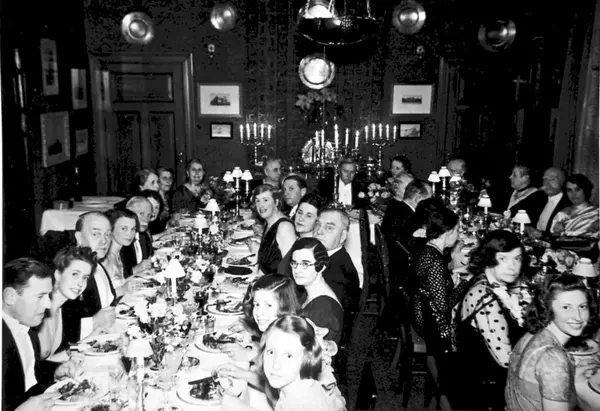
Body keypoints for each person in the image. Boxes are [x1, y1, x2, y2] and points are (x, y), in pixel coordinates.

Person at [452, 230, 530, 409]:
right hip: (483, 392)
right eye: (503, 259)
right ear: (488, 258)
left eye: (517, 258)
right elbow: (506, 360)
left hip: (471, 375)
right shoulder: (485, 299)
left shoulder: (481, 280)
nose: (513, 267)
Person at [505, 274, 599, 411]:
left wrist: (571, 376)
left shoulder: (530, 335)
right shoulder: (554, 359)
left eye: (582, 307)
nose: (578, 317)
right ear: (548, 308)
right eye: (566, 307)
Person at [3, 258, 83, 411]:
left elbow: (30, 370)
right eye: (40, 296)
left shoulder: (27, 328)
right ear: (10, 297)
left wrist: (56, 370)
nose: (48, 304)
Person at [412, 202, 471, 411]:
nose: (459, 234)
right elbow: (443, 306)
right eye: (458, 230)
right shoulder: (435, 261)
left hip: (425, 317)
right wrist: (465, 283)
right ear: (448, 231)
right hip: (436, 328)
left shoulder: (428, 250)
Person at [220, 315, 336, 411]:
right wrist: (239, 373)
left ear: (308, 357)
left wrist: (239, 407)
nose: (276, 365)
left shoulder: (306, 406)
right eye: (271, 352)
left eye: (288, 356)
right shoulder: (297, 387)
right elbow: (273, 391)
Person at [61, 212, 116, 345]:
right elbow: (60, 326)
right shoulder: (70, 272)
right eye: (96, 234)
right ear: (79, 237)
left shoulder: (98, 266)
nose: (104, 241)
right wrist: (92, 322)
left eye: (107, 234)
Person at [37, 246, 100, 360]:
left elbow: (50, 360)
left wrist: (89, 340)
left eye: (85, 277)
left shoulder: (60, 309)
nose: (80, 283)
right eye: (75, 274)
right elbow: (36, 366)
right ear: (58, 274)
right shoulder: (39, 310)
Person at [219, 274, 301, 361]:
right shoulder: (276, 332)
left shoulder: (289, 342)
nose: (258, 312)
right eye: (257, 304)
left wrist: (248, 355)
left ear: (285, 307)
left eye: (268, 305)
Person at [290, 237, 344, 345]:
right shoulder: (309, 292)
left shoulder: (322, 309)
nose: (297, 270)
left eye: (305, 264)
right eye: (294, 263)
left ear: (322, 266)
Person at [314, 208, 360, 316]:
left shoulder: (339, 274)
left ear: (343, 236)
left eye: (329, 228)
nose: (319, 231)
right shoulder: (323, 257)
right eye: (317, 225)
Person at [277, 192, 328, 276]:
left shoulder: (313, 250)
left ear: (318, 221)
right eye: (300, 212)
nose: (301, 218)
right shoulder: (298, 241)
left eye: (308, 216)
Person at [253, 184, 297, 275]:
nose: (260, 205)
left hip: (278, 282)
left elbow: (289, 270)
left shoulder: (284, 227)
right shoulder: (268, 222)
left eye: (265, 200)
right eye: (257, 201)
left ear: (276, 202)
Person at [103, 209, 142, 296]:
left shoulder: (118, 254)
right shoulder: (105, 259)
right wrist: (122, 290)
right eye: (124, 228)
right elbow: (101, 297)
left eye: (133, 229)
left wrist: (137, 276)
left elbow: (118, 283)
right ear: (111, 229)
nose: (130, 234)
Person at [551, 174, 599, 238]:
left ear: (585, 190)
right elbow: (554, 239)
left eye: (577, 189)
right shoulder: (561, 214)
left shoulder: (597, 212)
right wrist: (556, 232)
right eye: (569, 190)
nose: (573, 194)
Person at [528, 167, 572, 236]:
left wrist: (542, 234)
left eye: (552, 179)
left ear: (563, 182)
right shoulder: (538, 196)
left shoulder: (569, 204)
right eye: (545, 179)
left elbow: (568, 234)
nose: (546, 183)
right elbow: (514, 211)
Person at [120, 196, 154, 279]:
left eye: (149, 215)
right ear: (129, 213)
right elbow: (114, 277)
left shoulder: (144, 236)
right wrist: (134, 270)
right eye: (141, 214)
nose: (145, 219)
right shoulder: (120, 239)